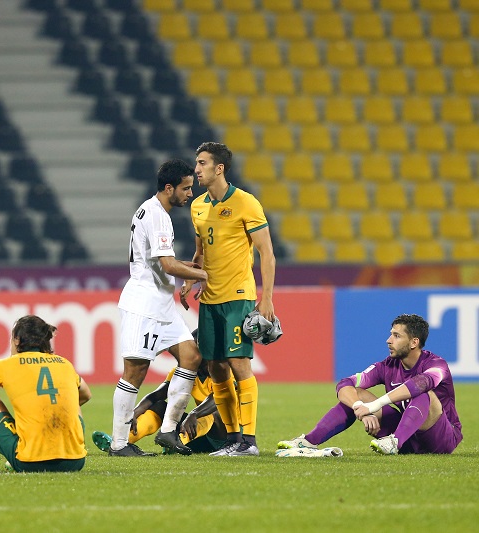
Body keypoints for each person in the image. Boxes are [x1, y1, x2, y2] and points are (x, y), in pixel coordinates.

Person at [181, 142, 276, 457]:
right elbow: (200, 253)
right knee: (217, 368)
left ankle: (248, 441)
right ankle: (233, 439)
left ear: (219, 168)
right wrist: (189, 280)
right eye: (197, 163)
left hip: (239, 296)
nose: (197, 169)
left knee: (238, 363)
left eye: (202, 163)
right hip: (209, 298)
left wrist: (267, 300)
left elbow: (267, 253)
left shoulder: (246, 203)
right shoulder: (197, 206)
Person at [111, 159, 208, 457]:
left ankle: (167, 430)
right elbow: (166, 264)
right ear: (169, 188)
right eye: (186, 188)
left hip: (162, 304)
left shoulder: (155, 210)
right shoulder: (157, 216)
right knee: (135, 371)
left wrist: (192, 269)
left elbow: (166, 264)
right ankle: (119, 443)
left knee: (191, 356)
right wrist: (205, 274)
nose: (190, 193)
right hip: (145, 305)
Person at [277, 314, 462, 456]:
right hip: (408, 436)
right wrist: (360, 408)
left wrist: (374, 406)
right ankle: (308, 442)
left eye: (396, 336)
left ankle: (394, 442)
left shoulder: (437, 365)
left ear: (414, 342)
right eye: (391, 335)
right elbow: (345, 383)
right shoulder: (387, 366)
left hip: (440, 439)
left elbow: (421, 384)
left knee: (423, 392)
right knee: (356, 394)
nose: (388, 340)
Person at [0, 315, 92, 473]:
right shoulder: (64, 364)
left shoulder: (4, 366)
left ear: (16, 340)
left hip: (30, 462)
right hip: (75, 462)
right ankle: (69, 447)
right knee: (71, 398)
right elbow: (86, 394)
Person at [93, 358, 227, 454]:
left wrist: (194, 414)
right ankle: (121, 442)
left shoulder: (224, 369)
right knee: (159, 406)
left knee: (214, 412)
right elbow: (157, 395)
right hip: (201, 437)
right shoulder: (184, 372)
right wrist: (135, 412)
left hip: (228, 437)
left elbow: (218, 397)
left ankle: (177, 441)